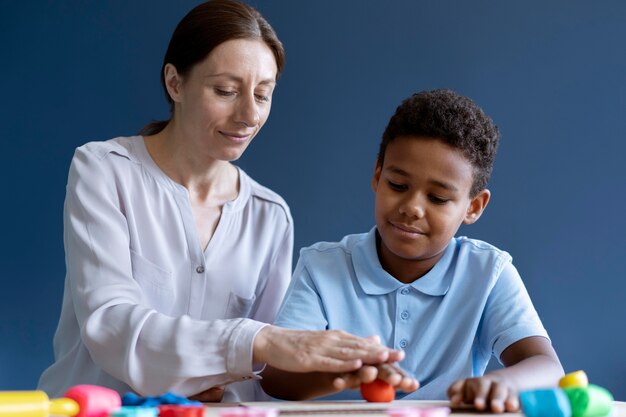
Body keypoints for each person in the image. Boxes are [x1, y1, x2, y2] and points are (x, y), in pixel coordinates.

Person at [38, 0, 403, 402]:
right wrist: (253, 342)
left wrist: (339, 367)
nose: (249, 114)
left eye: (263, 95)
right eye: (226, 91)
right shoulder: (104, 170)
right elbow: (110, 325)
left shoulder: (270, 216)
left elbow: (261, 375)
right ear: (175, 83)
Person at [260, 89, 564, 411]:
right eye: (398, 186)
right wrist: (350, 375)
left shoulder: (488, 272)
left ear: (473, 207)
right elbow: (276, 375)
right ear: (378, 176)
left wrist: (503, 383)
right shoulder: (322, 267)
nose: (412, 208)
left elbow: (547, 368)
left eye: (437, 198)